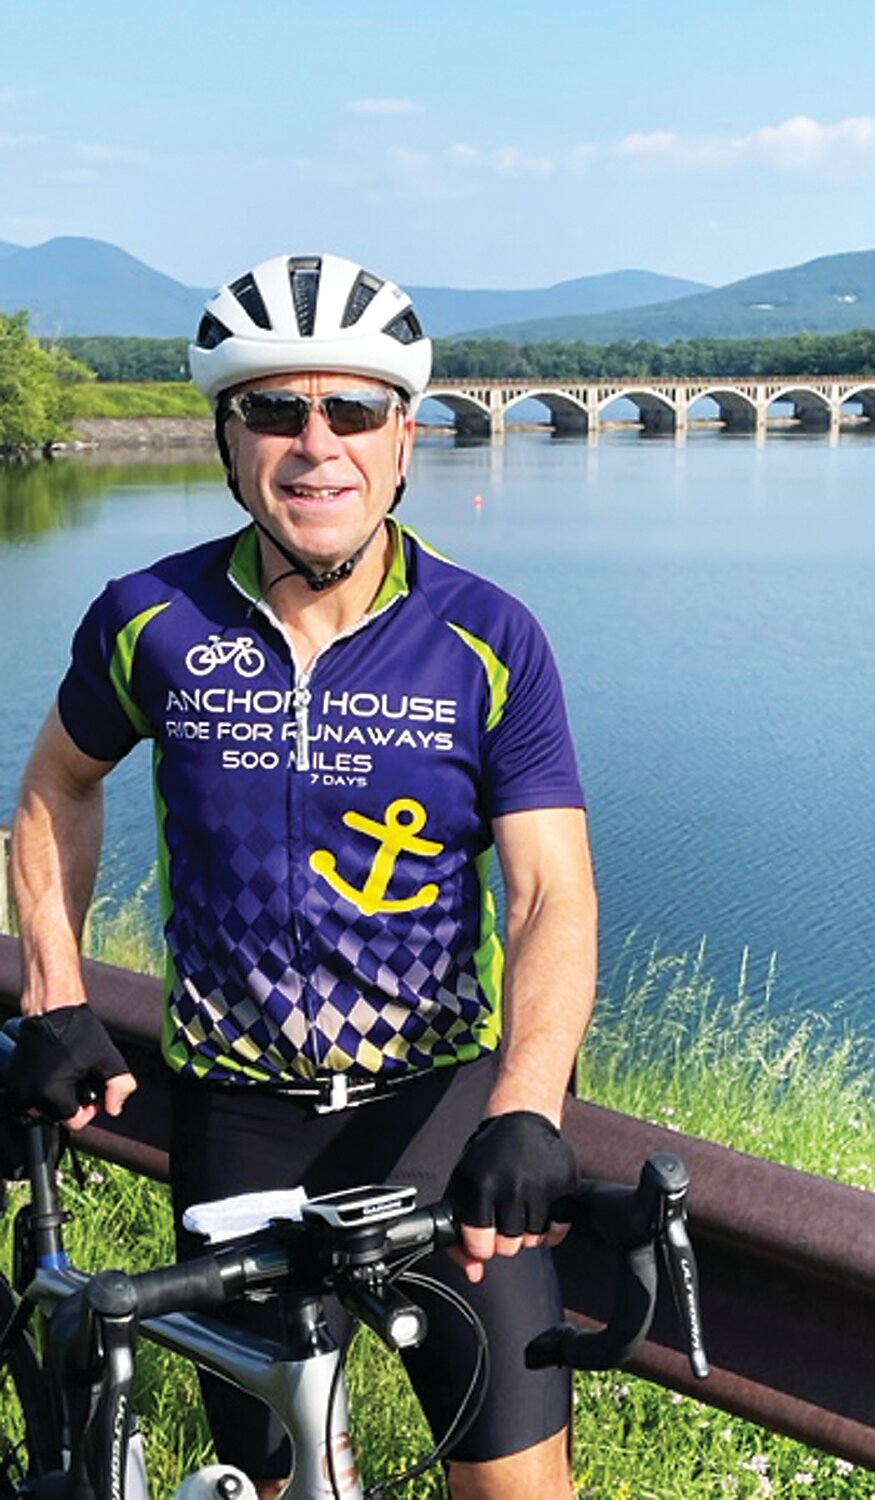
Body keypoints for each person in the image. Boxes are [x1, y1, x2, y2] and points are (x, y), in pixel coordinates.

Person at [11, 253, 598, 1500]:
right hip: (238, 1123)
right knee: (269, 1483)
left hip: (435, 1120)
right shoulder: (148, 621)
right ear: (229, 438)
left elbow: (553, 893)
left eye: (356, 410)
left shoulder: (487, 639)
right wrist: (55, 998)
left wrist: (530, 1103)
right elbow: (58, 783)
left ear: (403, 441)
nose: (315, 444)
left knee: (519, 1487)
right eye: (276, 409)